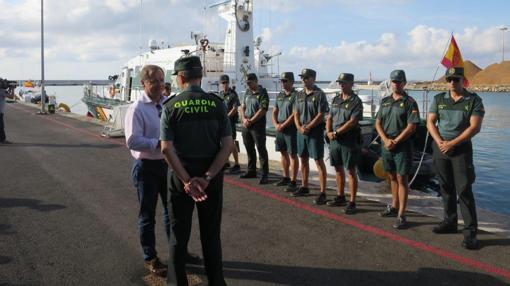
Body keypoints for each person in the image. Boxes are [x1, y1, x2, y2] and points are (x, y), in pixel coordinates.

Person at [160, 56, 233, 285]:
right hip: (211, 180)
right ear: (200, 77)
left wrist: (186, 181)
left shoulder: (171, 106)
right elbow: (228, 145)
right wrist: (208, 177)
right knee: (211, 235)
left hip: (181, 180)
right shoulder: (217, 103)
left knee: (178, 237)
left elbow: (165, 149)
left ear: (180, 77)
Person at [427, 67, 484, 250]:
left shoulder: (473, 100)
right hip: (440, 148)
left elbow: (474, 127)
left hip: (461, 150)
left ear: (463, 80)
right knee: (445, 187)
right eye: (450, 79)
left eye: (456, 79)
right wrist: (440, 142)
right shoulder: (439, 99)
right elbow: (430, 122)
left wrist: (452, 143)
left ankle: (470, 233)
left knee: (464, 190)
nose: (452, 82)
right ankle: (450, 223)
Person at [124, 65, 170, 277]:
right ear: (143, 83)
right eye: (154, 82)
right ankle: (150, 257)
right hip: (147, 168)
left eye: (162, 80)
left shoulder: (167, 104)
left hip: (168, 165)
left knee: (174, 212)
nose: (160, 85)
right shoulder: (137, 108)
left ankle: (178, 250)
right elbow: (132, 141)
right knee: (147, 215)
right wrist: (158, 143)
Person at [375, 70, 420, 229]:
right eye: (393, 81)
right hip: (387, 144)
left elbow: (412, 126)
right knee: (391, 177)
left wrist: (396, 141)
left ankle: (402, 213)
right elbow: (378, 123)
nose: (396, 84)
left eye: (399, 81)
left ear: (404, 83)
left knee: (402, 179)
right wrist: (386, 140)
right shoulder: (385, 101)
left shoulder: (410, 102)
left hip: (402, 146)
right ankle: (394, 207)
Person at [325, 73, 363, 214]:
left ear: (351, 84)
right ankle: (340, 196)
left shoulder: (356, 101)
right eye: (340, 82)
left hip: (349, 140)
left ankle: (352, 202)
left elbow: (352, 122)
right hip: (335, 139)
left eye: (344, 83)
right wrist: (328, 131)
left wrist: (336, 133)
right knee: (338, 169)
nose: (341, 85)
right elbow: (329, 117)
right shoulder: (336, 99)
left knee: (351, 171)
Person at [292, 68, 330, 204]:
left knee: (318, 161)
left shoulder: (319, 94)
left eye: (306, 78)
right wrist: (299, 127)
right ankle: (304, 185)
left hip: (314, 132)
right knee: (302, 158)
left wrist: (308, 126)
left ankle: (322, 192)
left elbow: (321, 115)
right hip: (301, 131)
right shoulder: (299, 94)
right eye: (302, 78)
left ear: (313, 79)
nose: (303, 80)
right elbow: (295, 113)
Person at [239, 73, 270, 184]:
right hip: (246, 125)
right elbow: (242, 107)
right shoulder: (247, 92)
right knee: (249, 148)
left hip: (257, 126)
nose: (248, 85)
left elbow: (263, 109)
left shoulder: (262, 93)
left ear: (256, 81)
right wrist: (243, 119)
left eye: (250, 83)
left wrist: (251, 120)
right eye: (247, 83)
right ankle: (251, 170)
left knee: (261, 149)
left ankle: (264, 174)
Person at [271, 72, 299, 192]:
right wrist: (276, 124)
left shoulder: (296, 96)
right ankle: (285, 176)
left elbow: (294, 114)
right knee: (283, 153)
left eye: (285, 81)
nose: (282, 83)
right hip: (280, 128)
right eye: (282, 81)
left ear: (292, 82)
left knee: (292, 154)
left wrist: (283, 125)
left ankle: (293, 180)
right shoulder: (280, 95)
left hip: (291, 128)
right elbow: (274, 111)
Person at [219, 74, 241, 173]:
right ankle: (226, 161)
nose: (225, 84)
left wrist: (226, 118)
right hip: (222, 123)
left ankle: (237, 164)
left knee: (231, 143)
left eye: (226, 82)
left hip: (230, 122)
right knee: (224, 143)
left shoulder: (233, 94)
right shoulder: (220, 95)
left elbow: (235, 108)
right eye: (223, 83)